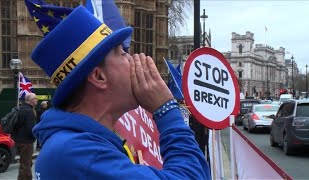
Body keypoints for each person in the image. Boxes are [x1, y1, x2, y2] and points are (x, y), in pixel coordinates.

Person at [31, 6, 210, 179]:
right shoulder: (83, 155)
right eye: (122, 54)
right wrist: (167, 110)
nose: (133, 59)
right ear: (98, 76)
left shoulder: (77, 145)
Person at [13, 93, 37, 180]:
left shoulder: (21, 109)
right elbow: (30, 129)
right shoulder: (29, 111)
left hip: (19, 140)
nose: (37, 100)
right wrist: (35, 137)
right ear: (30, 100)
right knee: (26, 165)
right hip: (26, 142)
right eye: (35, 98)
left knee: (24, 164)